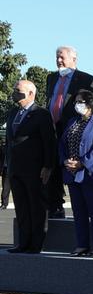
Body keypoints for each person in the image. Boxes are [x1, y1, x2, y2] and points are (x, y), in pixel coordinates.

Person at [44, 46, 93, 219]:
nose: (59, 61)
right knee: (52, 165)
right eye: (57, 57)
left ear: (73, 59)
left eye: (62, 57)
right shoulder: (51, 78)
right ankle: (55, 205)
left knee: (73, 165)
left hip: (74, 129)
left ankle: (83, 208)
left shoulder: (86, 79)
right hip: (52, 128)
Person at [60, 89, 93, 257]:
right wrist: (65, 161)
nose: (77, 105)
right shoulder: (72, 122)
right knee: (78, 211)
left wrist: (82, 163)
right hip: (72, 174)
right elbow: (62, 144)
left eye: (81, 101)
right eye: (76, 101)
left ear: (91, 103)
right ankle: (82, 244)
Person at [5, 80, 56, 253]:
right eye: (14, 90)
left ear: (31, 93)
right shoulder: (13, 113)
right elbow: (9, 141)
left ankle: (36, 244)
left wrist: (48, 165)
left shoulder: (41, 114)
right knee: (21, 207)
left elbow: (49, 142)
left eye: (18, 91)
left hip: (35, 169)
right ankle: (23, 242)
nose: (15, 93)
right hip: (15, 168)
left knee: (36, 206)